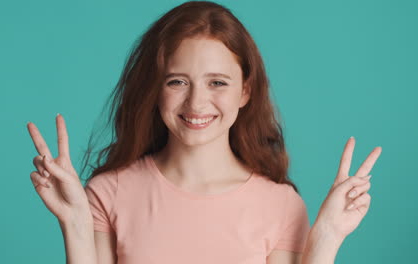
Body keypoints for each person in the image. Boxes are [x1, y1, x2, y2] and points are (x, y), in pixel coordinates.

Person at [27, 1, 382, 263]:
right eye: (178, 81)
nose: (197, 102)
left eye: (217, 82)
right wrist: (74, 223)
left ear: (245, 90)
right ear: (156, 88)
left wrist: (326, 239)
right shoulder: (109, 193)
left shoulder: (281, 206)